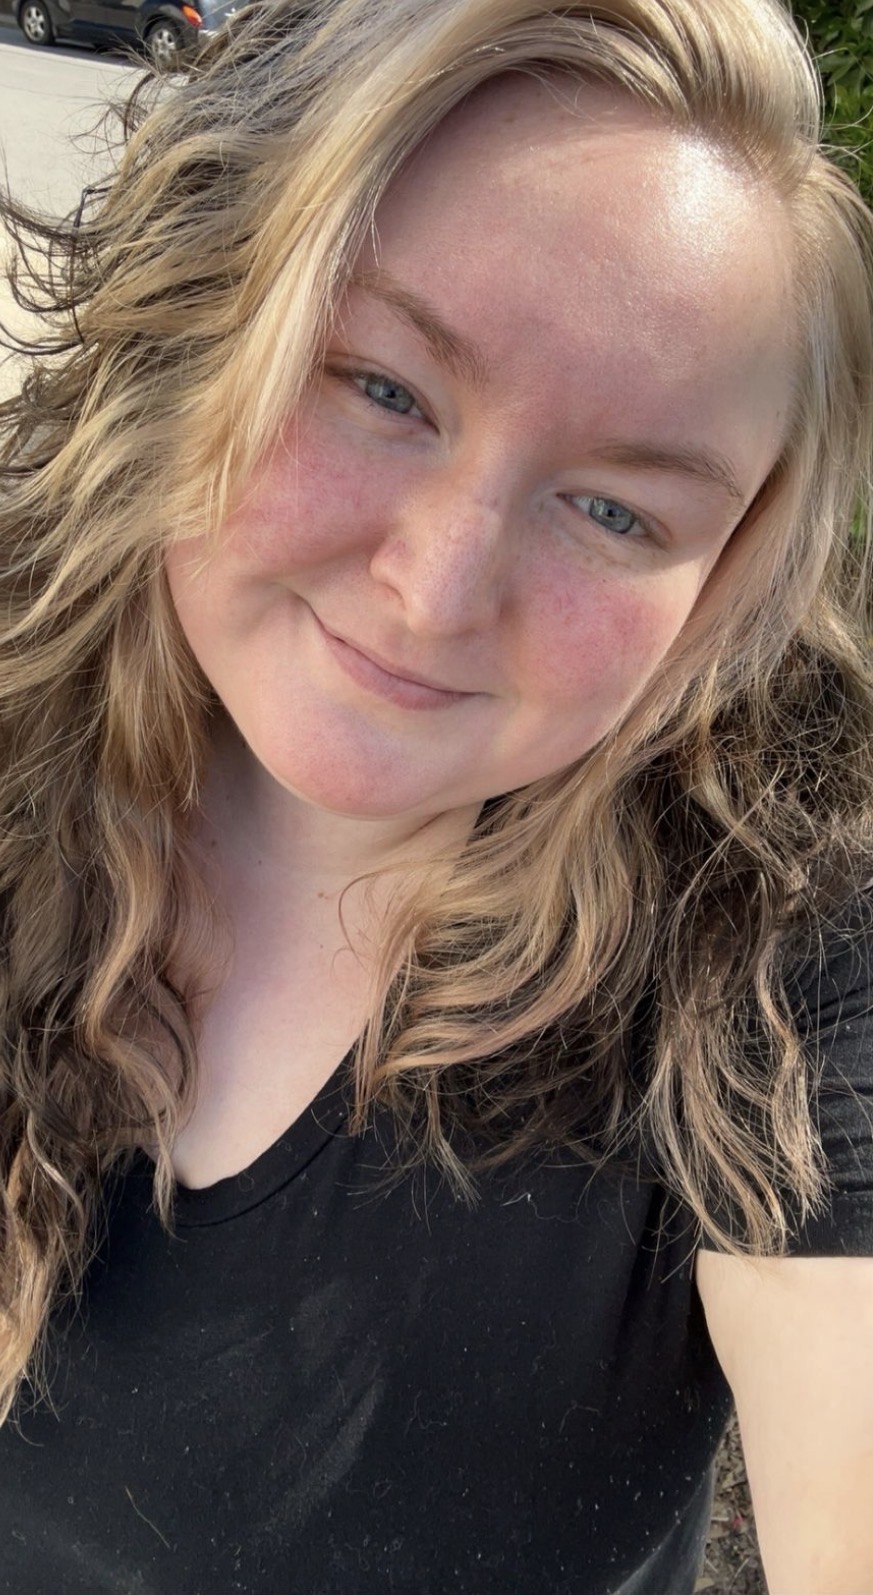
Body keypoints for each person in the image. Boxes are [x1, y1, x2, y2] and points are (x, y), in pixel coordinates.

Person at [0, 0, 871, 1589]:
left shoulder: (775, 944)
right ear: (202, 323)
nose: (436, 589)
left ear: (725, 588)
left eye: (615, 510)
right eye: (382, 388)